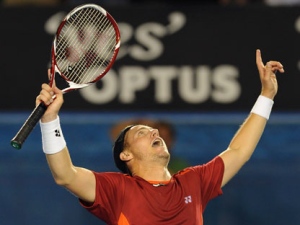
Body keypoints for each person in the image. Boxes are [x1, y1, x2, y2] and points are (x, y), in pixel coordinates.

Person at [36, 49, 284, 224]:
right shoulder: (117, 189)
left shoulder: (193, 183)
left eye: (152, 129)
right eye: (141, 132)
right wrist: (49, 120)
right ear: (126, 154)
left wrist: (266, 95)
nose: (154, 131)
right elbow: (65, 175)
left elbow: (239, 151)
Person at [110, 118, 190, 174]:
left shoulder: (180, 165)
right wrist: (139, 121)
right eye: (160, 135)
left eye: (166, 137)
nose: (161, 139)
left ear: (173, 140)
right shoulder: (127, 179)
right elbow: (115, 133)